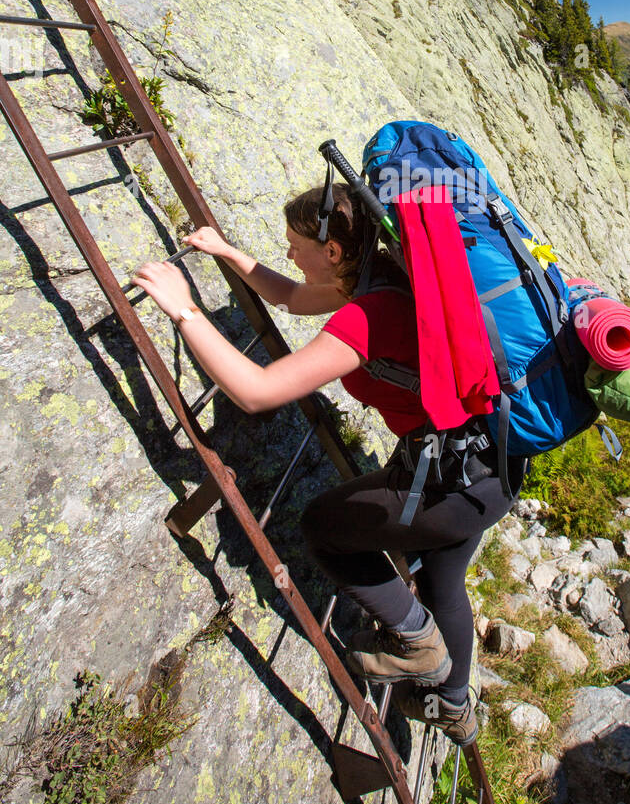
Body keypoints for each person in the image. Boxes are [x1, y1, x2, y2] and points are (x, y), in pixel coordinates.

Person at [131, 181, 528, 746]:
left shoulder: (367, 314)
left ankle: (418, 646)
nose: (288, 251)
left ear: (334, 250)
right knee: (443, 580)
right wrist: (225, 252)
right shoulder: (382, 274)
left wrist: (185, 310)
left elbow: (258, 391)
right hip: (491, 467)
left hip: (446, 483)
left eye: (296, 242)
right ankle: (455, 705)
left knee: (322, 527)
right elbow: (291, 295)